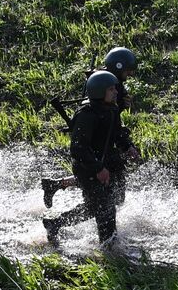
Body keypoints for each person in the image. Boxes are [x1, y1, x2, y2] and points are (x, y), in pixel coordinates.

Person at [41, 47, 139, 207]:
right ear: (119, 66)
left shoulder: (111, 82)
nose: (130, 74)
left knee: (107, 180)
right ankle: (56, 220)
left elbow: (110, 115)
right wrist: (120, 105)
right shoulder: (102, 83)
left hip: (106, 135)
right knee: (101, 187)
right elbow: (102, 113)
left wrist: (126, 144)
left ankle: (57, 185)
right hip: (96, 137)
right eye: (128, 70)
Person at [43, 71, 131, 248]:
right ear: (99, 92)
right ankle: (109, 251)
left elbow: (116, 133)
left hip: (106, 163)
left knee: (100, 205)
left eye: (115, 88)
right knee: (105, 208)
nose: (116, 92)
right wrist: (98, 168)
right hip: (87, 168)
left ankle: (56, 223)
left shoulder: (112, 109)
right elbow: (78, 149)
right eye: (111, 89)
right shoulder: (87, 115)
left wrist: (128, 146)